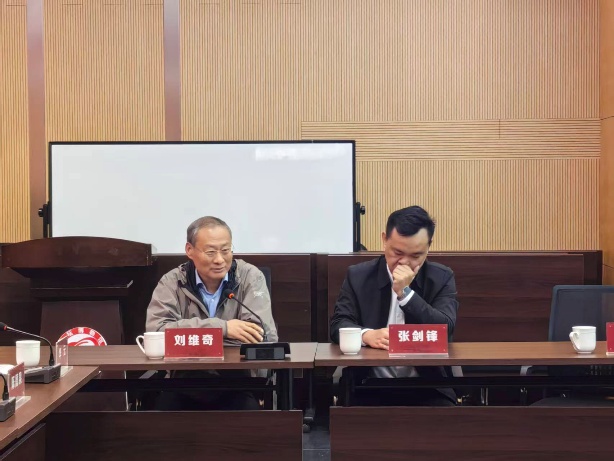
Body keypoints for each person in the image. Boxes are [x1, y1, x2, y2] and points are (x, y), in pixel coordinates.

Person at [330, 205, 458, 406]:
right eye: (397, 252)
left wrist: (405, 294)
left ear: (428, 247)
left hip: (427, 385)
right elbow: (339, 324)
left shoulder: (441, 278)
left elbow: (444, 328)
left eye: (416, 255)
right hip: (368, 384)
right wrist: (366, 335)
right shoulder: (358, 276)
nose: (404, 263)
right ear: (384, 240)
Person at [146, 216, 278, 410]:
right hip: (184, 381)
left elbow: (260, 335)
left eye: (225, 250)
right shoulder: (172, 282)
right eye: (210, 252)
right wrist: (222, 328)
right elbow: (157, 333)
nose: (219, 260)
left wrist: (189, 339)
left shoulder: (250, 277)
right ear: (189, 250)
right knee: (163, 414)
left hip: (237, 381)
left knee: (249, 415)